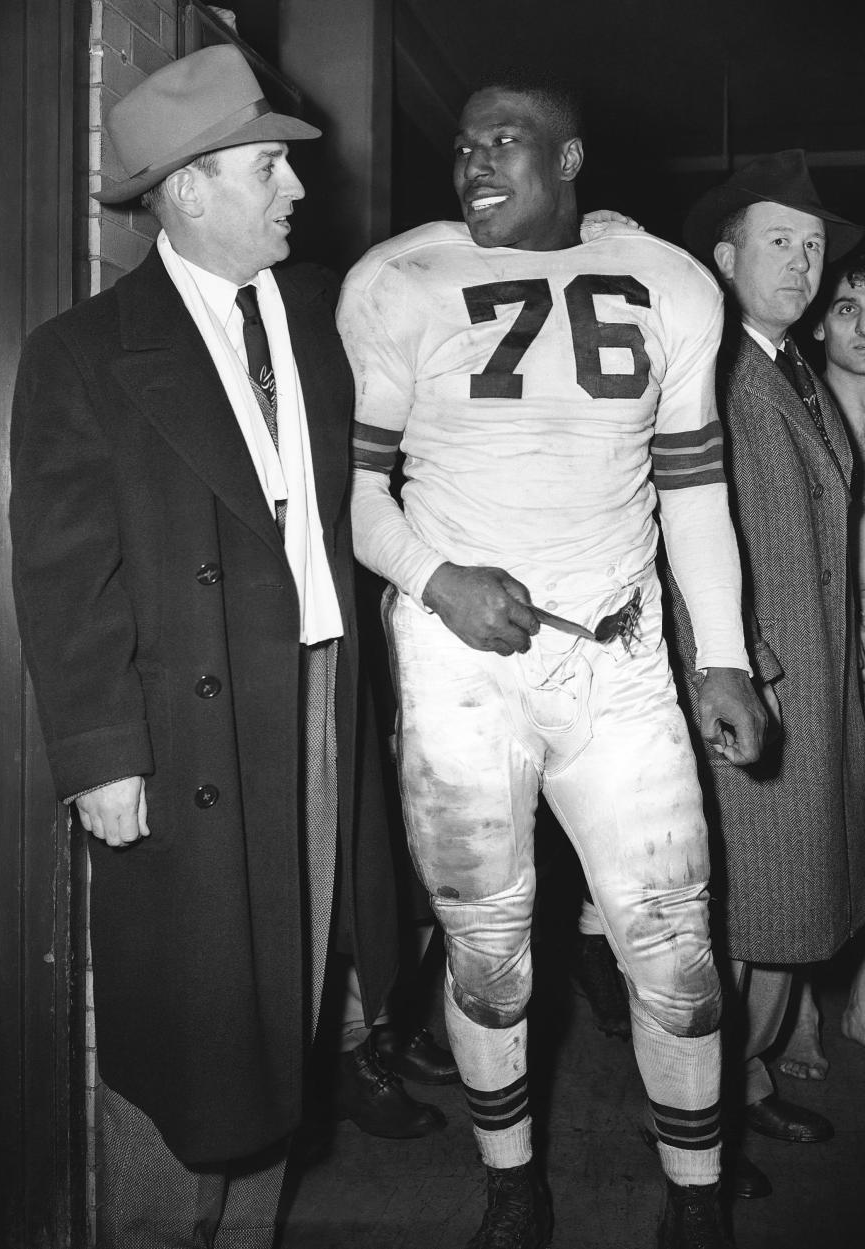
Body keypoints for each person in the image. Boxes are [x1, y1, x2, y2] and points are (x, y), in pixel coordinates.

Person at [338, 71, 767, 1249]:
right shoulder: (400, 282)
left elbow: (695, 492)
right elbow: (364, 504)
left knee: (675, 944)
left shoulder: (673, 285)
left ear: (569, 162)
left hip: (618, 663)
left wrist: (721, 656)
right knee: (487, 949)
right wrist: (440, 579)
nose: (474, 161)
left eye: (505, 141)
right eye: (465, 143)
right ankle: (510, 1181)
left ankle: (696, 1202)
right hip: (462, 664)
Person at [9, 44, 426, 1249]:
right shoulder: (81, 353)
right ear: (187, 188)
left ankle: (246, 1235)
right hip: (183, 724)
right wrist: (97, 755)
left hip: (314, 698)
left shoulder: (319, 315)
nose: (296, 189)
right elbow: (62, 572)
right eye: (265, 170)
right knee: (189, 1021)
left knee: (285, 1003)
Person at [668, 150, 865, 1201]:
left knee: (796, 912)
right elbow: (686, 543)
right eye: (777, 241)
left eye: (814, 243)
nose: (802, 261)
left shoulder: (797, 370)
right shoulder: (713, 376)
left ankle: (749, 1081)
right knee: (743, 927)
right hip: (763, 700)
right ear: (724, 255)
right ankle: (707, 1134)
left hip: (822, 692)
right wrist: (750, 674)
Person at [775, 249, 865, 1084]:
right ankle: (796, 1012)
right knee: (809, 830)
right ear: (817, 320)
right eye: (846, 307)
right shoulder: (796, 405)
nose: (863, 326)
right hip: (818, 645)